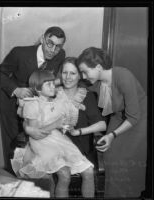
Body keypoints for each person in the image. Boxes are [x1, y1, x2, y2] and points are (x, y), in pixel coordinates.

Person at [24, 57, 107, 197]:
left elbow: (102, 124)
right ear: (60, 74)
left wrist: (79, 132)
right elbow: (31, 113)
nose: (68, 77)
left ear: (80, 75)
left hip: (78, 146)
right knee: (64, 175)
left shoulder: (87, 96)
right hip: (49, 145)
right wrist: (27, 128)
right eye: (65, 72)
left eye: (73, 73)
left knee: (88, 173)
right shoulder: (51, 91)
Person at [11, 69, 96, 197]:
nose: (53, 86)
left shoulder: (55, 100)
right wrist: (55, 124)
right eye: (48, 84)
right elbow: (36, 134)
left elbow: (65, 112)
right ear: (38, 89)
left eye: (53, 83)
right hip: (42, 143)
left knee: (88, 170)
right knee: (65, 174)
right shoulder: (32, 104)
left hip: (58, 140)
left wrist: (74, 111)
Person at [76, 47, 147, 198]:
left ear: (99, 67)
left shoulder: (123, 76)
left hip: (139, 119)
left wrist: (112, 135)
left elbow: (134, 116)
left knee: (126, 159)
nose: (83, 76)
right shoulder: (97, 80)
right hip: (119, 116)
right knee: (110, 155)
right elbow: (71, 81)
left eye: (85, 72)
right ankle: (112, 194)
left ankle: (129, 194)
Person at [0, 26, 66, 173]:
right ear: (42, 39)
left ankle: (33, 176)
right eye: (50, 44)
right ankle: (15, 177)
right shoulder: (19, 53)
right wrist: (16, 91)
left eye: (58, 46)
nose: (53, 50)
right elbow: (0, 73)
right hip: (11, 103)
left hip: (37, 106)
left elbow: (47, 79)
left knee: (36, 141)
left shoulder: (60, 55)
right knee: (14, 142)